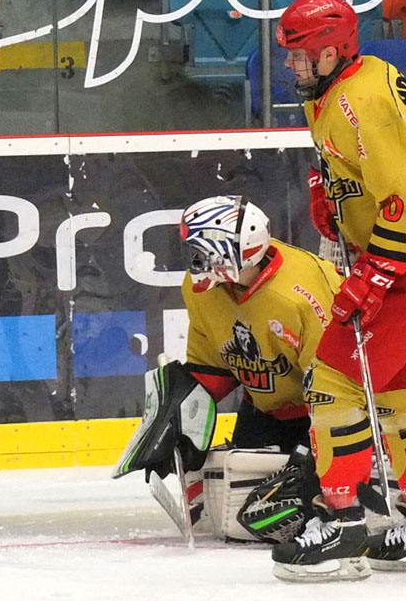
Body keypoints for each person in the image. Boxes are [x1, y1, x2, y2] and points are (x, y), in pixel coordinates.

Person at [271, 0, 406, 581]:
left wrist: (373, 274)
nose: (292, 65)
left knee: (333, 382)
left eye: (300, 55)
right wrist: (330, 188)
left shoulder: (360, 100)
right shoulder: (341, 86)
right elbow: (360, 164)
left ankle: (340, 522)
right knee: (398, 396)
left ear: (331, 51)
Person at [114, 195, 343, 542]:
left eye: (202, 250)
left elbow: (339, 388)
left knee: (301, 509)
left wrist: (313, 453)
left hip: (326, 411)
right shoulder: (201, 290)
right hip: (264, 407)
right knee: (243, 518)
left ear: (233, 252)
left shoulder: (301, 296)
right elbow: (212, 368)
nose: (195, 260)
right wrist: (177, 419)